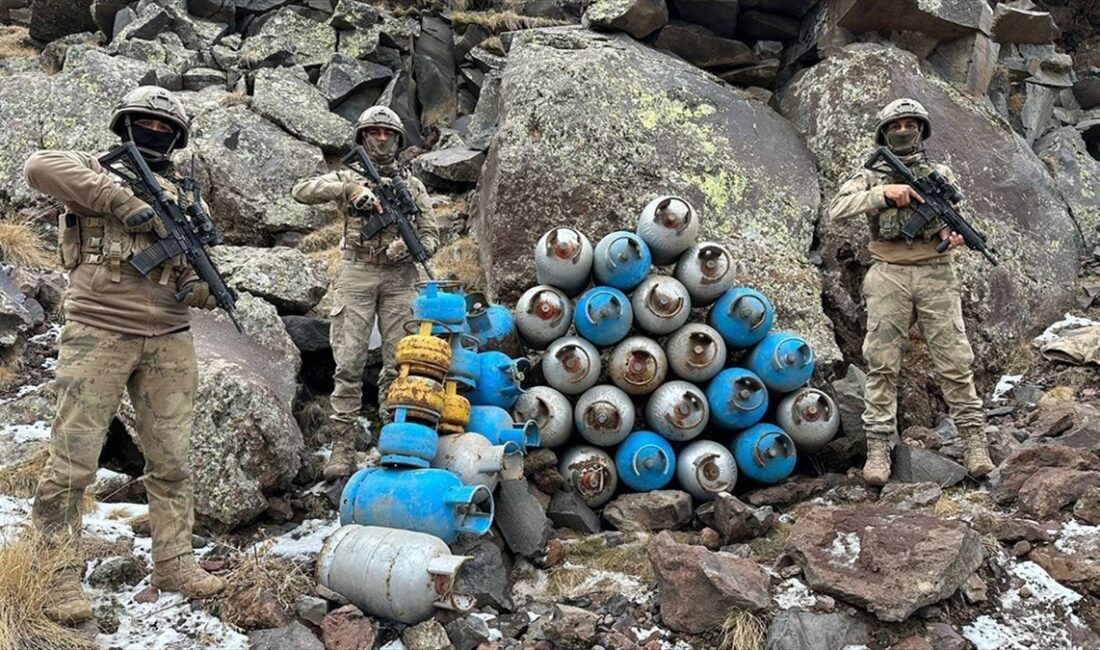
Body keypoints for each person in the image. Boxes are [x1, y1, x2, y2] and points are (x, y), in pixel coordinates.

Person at [23, 86, 226, 624]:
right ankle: (56, 573)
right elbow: (37, 166)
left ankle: (175, 561)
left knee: (173, 460)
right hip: (99, 330)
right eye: (145, 122)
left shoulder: (187, 197)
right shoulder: (93, 169)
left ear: (178, 137)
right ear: (124, 125)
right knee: (71, 463)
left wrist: (200, 289)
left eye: (164, 127)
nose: (155, 132)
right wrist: (120, 201)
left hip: (170, 336)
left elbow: (195, 266)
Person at [827, 97, 996, 486]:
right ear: (885, 132)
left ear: (922, 129)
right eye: (897, 124)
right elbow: (838, 207)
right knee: (882, 363)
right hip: (888, 273)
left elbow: (947, 215)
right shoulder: (871, 174)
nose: (904, 130)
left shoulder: (940, 173)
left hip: (936, 272)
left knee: (955, 361)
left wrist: (948, 236)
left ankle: (975, 444)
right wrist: (885, 194)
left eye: (911, 123)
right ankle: (878, 451)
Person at [292, 105, 440, 481]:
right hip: (357, 273)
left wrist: (407, 248)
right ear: (362, 137)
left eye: (387, 133)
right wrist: (349, 189)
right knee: (349, 362)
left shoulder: (413, 185)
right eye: (373, 132)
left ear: (397, 138)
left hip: (399, 278)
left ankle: (394, 437)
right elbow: (302, 191)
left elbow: (430, 235)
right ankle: (342, 447)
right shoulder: (349, 176)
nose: (380, 138)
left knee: (400, 362)